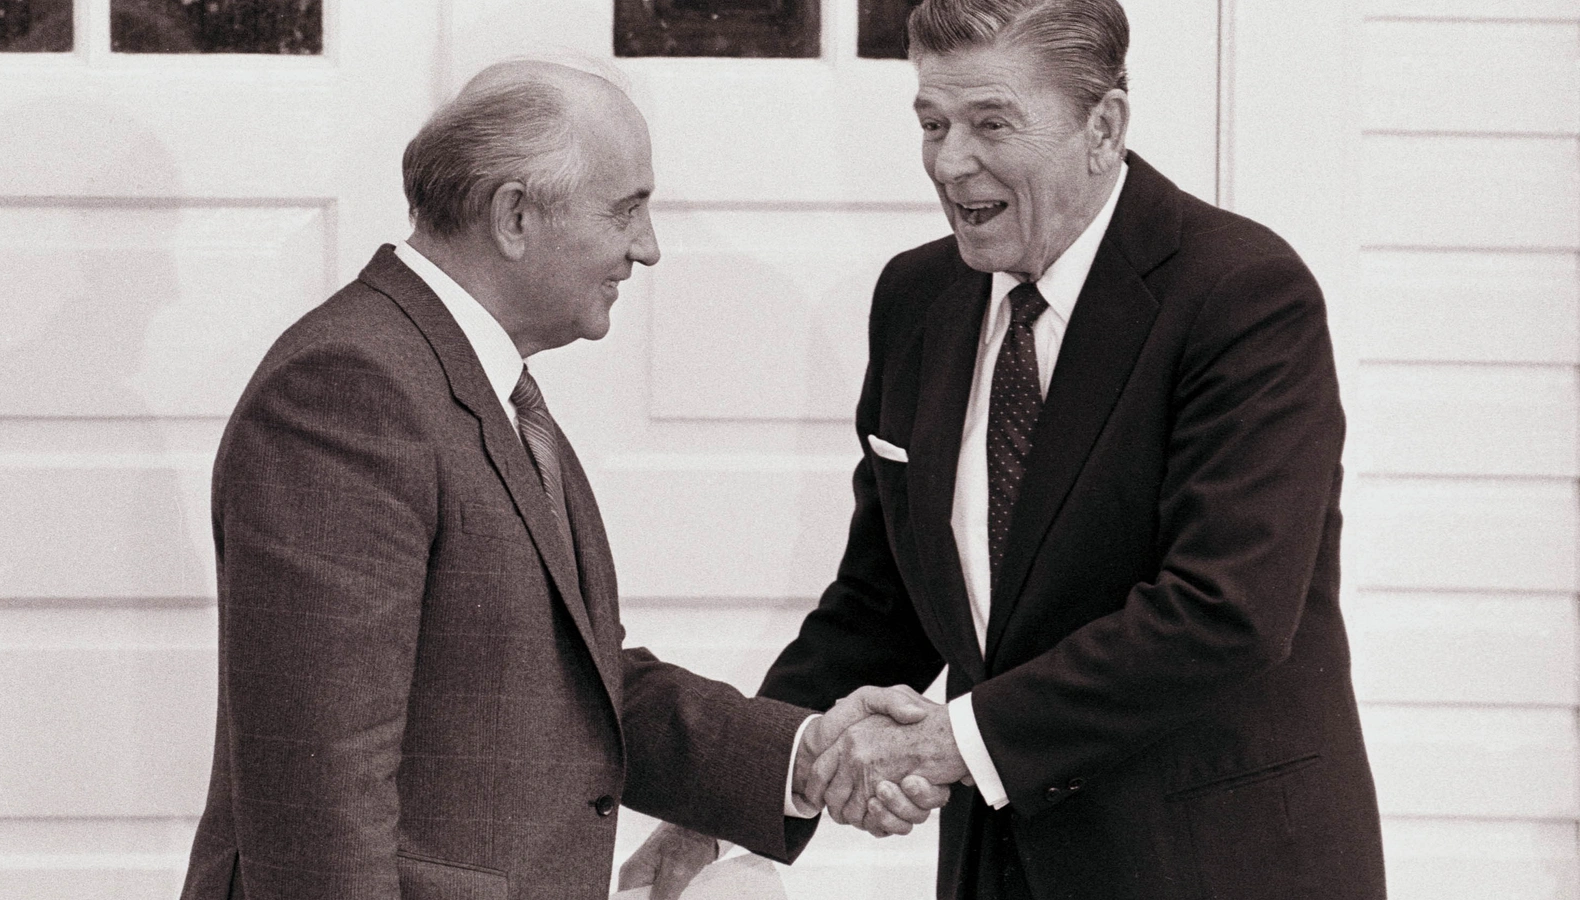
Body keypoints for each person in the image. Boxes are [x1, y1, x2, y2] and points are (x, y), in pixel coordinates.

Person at [623, 1, 1387, 898]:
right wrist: (728, 805)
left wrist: (948, 743)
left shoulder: (1243, 295)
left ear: (1102, 126)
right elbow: (881, 608)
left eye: (991, 122)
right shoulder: (917, 299)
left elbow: (1224, 610)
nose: (951, 162)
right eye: (933, 123)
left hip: (1215, 866)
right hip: (1003, 871)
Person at [176, 59, 948, 900]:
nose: (646, 249)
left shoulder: (473, 383)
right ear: (515, 215)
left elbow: (569, 683)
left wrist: (799, 756)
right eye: (627, 211)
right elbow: (318, 795)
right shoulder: (350, 390)